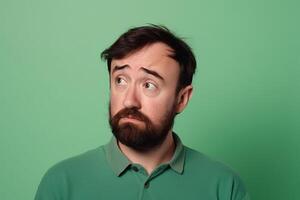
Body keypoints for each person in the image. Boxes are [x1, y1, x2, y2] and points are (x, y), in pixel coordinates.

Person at [35, 24, 250, 200]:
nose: (129, 100)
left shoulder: (225, 188)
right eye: (120, 80)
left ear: (181, 99)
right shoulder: (61, 183)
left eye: (149, 84)